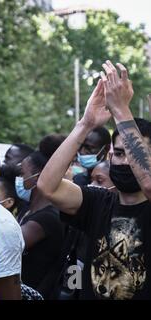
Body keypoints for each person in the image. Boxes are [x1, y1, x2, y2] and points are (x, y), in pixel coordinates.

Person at [38, 61, 151, 299]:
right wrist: (85, 124)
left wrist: (121, 110)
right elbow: (47, 186)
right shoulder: (99, 202)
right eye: (117, 153)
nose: (120, 160)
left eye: (129, 153)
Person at [16, 139, 64, 298]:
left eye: (22, 174)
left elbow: (10, 243)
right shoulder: (27, 208)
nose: (20, 179)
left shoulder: (47, 218)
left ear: (38, 177)